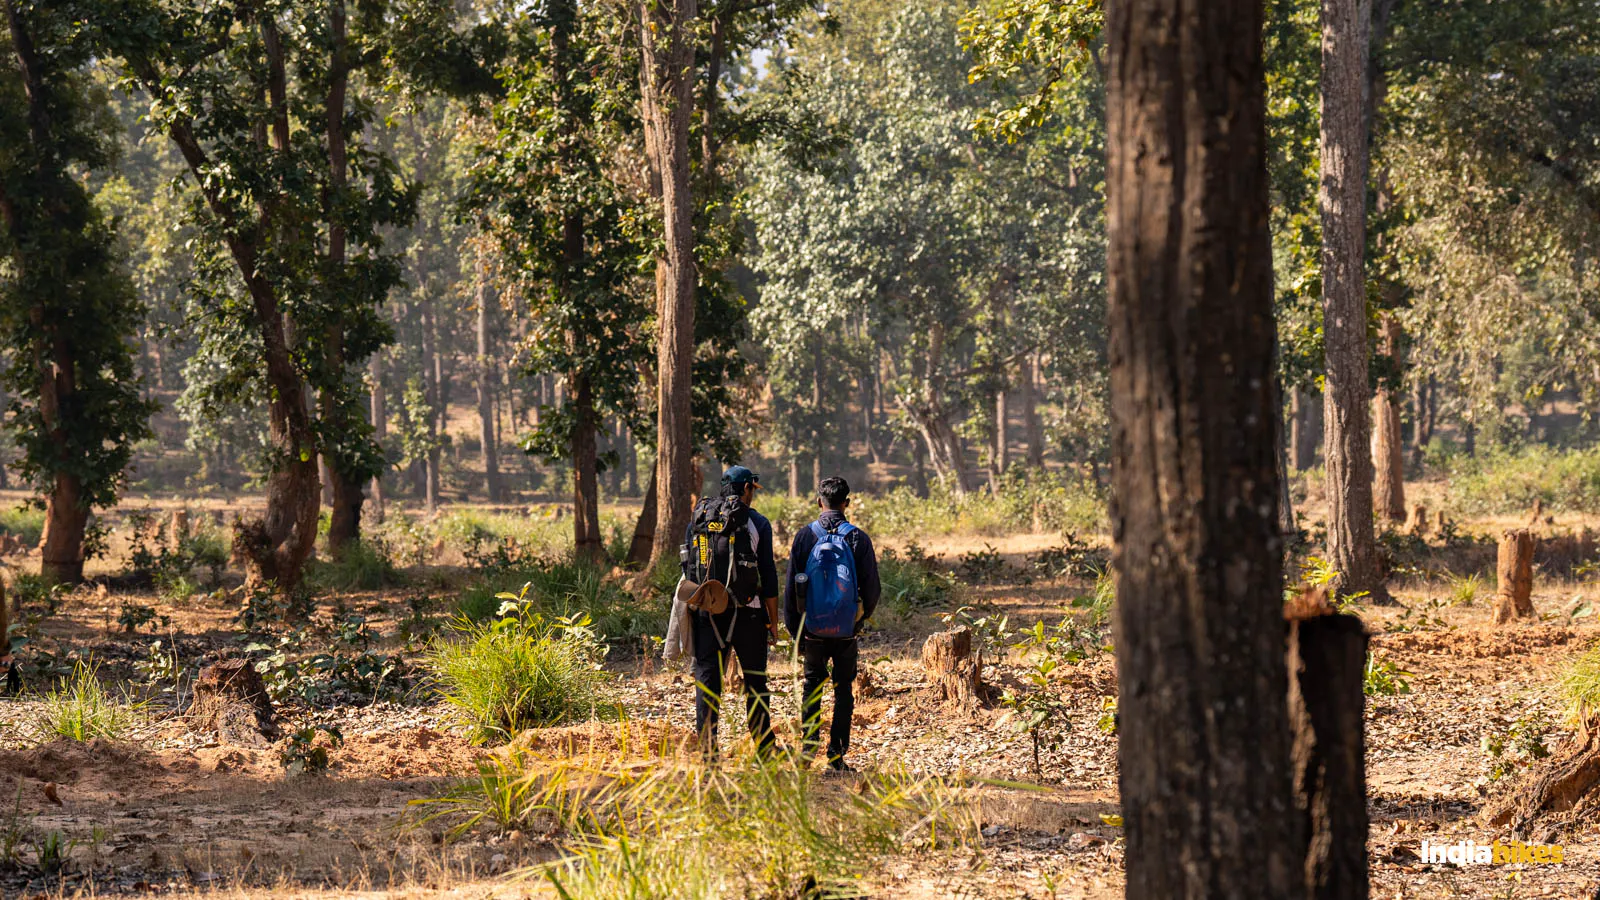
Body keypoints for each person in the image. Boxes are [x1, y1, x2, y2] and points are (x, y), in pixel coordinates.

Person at [784, 476, 880, 772]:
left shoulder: (804, 536)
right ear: (846, 503)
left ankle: (807, 751)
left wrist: (795, 630)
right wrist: (859, 619)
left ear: (819, 502)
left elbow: (790, 588)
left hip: (811, 629)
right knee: (843, 691)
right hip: (845, 630)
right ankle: (837, 757)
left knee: (812, 685)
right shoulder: (858, 538)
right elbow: (872, 588)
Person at [687, 465, 782, 760]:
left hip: (707, 612)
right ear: (746, 489)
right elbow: (768, 575)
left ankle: (707, 752)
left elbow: (688, 566)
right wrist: (774, 621)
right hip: (748, 614)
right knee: (755, 682)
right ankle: (765, 750)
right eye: (752, 489)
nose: (753, 495)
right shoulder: (757, 523)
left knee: (707, 681)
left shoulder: (700, 518)